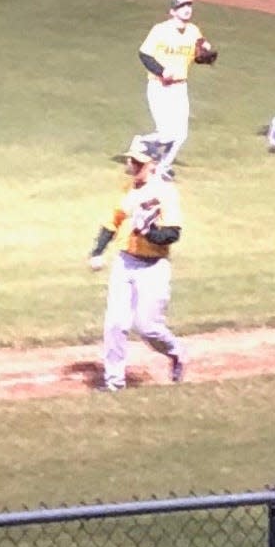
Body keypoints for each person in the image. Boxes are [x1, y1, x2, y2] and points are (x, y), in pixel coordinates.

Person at [88, 137, 186, 392]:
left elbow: (172, 234)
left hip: (153, 267)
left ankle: (175, 352)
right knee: (115, 323)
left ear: (152, 164)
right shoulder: (128, 190)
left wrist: (147, 232)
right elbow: (113, 221)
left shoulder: (165, 193)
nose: (132, 165)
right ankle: (114, 382)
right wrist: (97, 250)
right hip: (125, 262)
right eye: (131, 160)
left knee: (147, 327)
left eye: (138, 161)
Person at [136, 0, 214, 181]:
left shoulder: (194, 31)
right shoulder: (160, 30)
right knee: (166, 133)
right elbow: (144, 54)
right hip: (159, 87)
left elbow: (197, 56)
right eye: (182, 6)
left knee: (181, 134)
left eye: (189, 5)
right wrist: (161, 71)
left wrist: (206, 56)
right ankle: (140, 143)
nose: (187, 9)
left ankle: (163, 167)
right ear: (172, 11)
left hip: (180, 88)